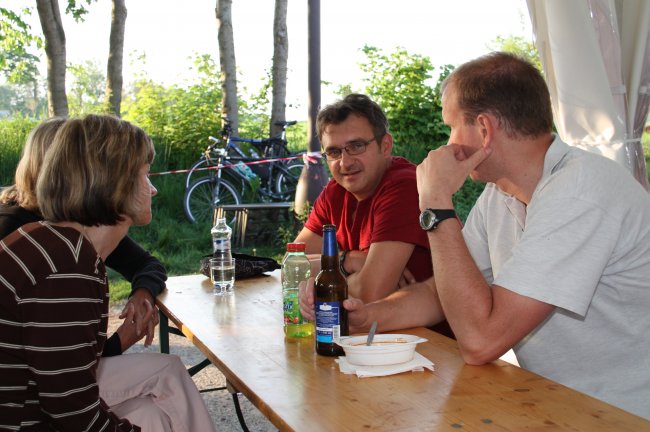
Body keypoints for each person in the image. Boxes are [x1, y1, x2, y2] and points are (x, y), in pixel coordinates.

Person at [303, 52, 650, 419]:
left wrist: (436, 204)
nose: (447, 143)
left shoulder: (580, 192)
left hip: (621, 414)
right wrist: (366, 317)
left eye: (451, 127)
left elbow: (480, 342)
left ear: (484, 129)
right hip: (551, 402)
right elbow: (439, 292)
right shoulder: (500, 194)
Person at [0, 114, 217, 431]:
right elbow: (74, 415)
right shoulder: (65, 268)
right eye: (145, 175)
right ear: (115, 184)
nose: (154, 190)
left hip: (35, 411)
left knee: (151, 415)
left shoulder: (57, 244)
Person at [0, 117, 167, 353]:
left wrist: (143, 293)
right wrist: (122, 340)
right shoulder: (55, 253)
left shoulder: (80, 231)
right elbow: (61, 361)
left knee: (168, 369)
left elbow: (147, 264)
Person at [295, 93, 433, 304]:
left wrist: (328, 274)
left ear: (385, 146)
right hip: (366, 322)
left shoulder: (405, 186)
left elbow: (371, 292)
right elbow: (292, 268)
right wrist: (346, 261)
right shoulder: (335, 191)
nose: (345, 163)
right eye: (334, 152)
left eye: (356, 146)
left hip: (428, 325)